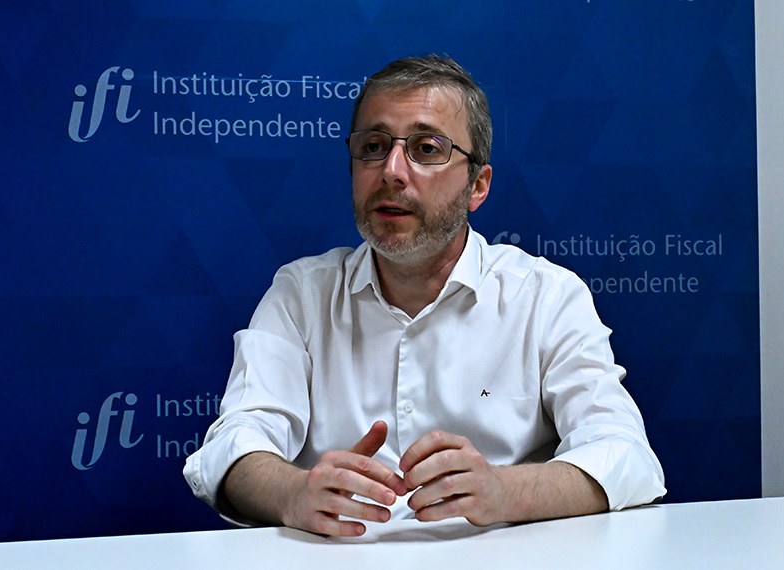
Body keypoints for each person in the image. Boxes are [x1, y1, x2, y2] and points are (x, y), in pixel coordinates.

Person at [184, 55, 665, 537]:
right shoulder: (303, 294)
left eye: (426, 149)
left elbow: (626, 456)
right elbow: (232, 447)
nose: (391, 171)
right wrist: (293, 493)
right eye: (373, 147)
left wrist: (503, 491)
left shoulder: (546, 297)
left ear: (478, 185)